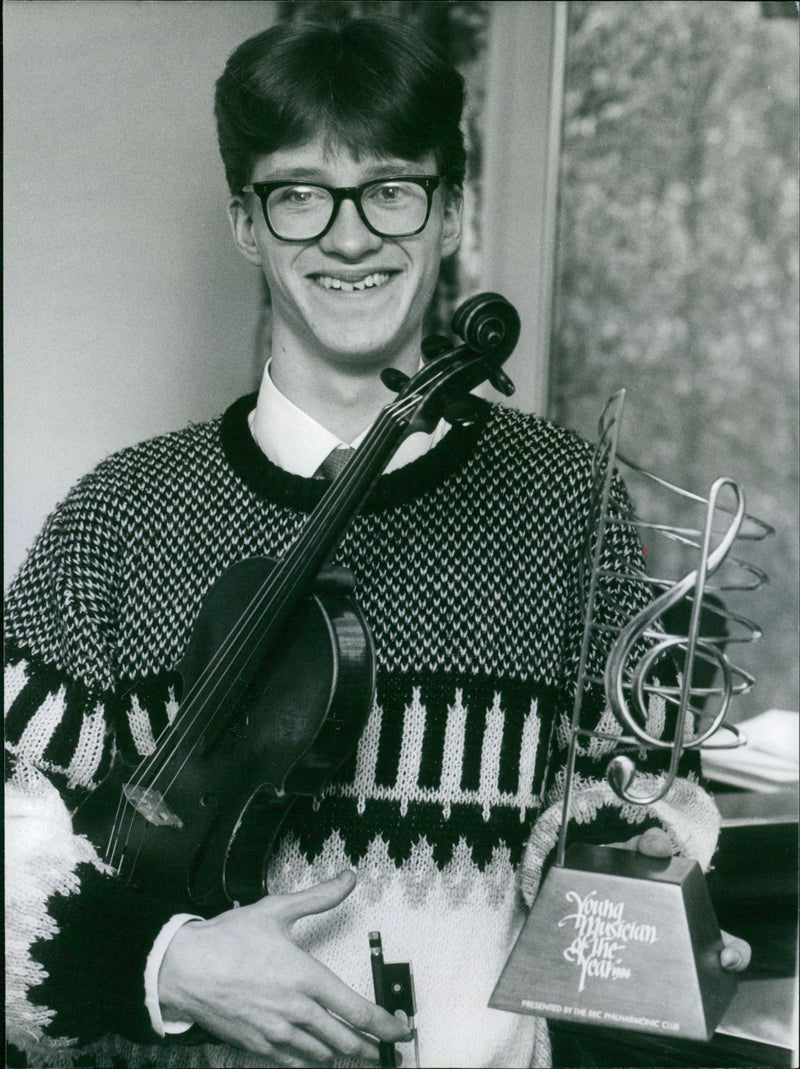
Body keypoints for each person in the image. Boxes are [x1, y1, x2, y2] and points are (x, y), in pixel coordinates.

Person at [5, 14, 749, 1069]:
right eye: (300, 194)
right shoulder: (119, 515)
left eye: (392, 189)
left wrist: (662, 854)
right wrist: (165, 963)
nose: (349, 238)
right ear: (245, 224)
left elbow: (609, 823)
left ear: (449, 215)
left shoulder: (566, 499)